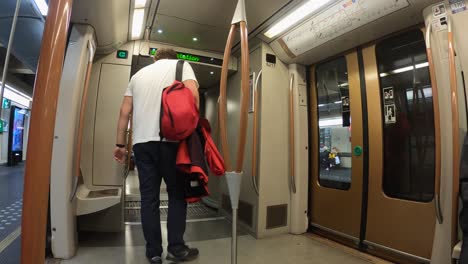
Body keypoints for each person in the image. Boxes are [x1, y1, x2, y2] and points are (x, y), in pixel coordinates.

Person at [113, 48, 200, 264]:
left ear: (156, 58)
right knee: (177, 195)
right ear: (173, 56)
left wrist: (120, 145)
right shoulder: (182, 66)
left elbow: (125, 112)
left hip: (142, 145)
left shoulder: (137, 76)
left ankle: (153, 252)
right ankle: (176, 248)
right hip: (171, 141)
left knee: (149, 199)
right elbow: (194, 100)